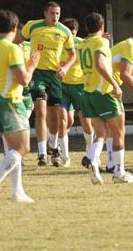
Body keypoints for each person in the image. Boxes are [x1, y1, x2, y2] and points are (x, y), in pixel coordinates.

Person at [0, 9, 39, 204]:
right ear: (14, 27)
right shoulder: (13, 48)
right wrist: (31, 66)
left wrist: (0, 82)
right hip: (10, 101)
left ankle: (17, 192)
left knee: (12, 149)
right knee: (23, 148)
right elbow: (24, 80)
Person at [80, 12, 133, 185]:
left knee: (101, 133)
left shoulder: (83, 44)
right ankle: (119, 172)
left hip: (88, 92)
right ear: (102, 26)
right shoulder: (101, 42)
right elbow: (99, 63)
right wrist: (115, 84)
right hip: (103, 93)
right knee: (119, 132)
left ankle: (94, 161)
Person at [21, 1, 75, 166]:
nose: (55, 17)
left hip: (55, 76)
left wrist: (65, 67)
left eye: (58, 13)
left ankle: (53, 146)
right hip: (37, 74)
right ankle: (42, 152)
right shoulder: (32, 26)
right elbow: (16, 41)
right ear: (45, 13)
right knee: (41, 111)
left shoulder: (65, 31)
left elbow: (73, 54)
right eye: (52, 13)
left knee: (55, 114)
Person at [53, 17, 94, 168]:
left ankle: (91, 152)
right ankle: (65, 157)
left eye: (73, 33)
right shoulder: (58, 44)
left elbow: (93, 51)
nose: (70, 36)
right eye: (67, 33)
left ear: (76, 32)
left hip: (79, 87)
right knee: (63, 121)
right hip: (62, 87)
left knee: (85, 121)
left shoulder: (82, 44)